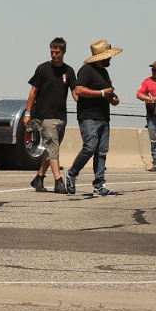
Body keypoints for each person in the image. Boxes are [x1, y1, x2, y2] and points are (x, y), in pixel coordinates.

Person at [64, 39, 122, 196]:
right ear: (102, 56)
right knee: (90, 147)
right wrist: (102, 93)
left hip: (104, 117)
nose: (110, 58)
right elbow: (78, 90)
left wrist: (112, 98)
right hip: (89, 116)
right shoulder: (86, 70)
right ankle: (72, 173)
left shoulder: (104, 72)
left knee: (101, 152)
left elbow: (107, 93)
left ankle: (100, 183)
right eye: (108, 56)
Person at [23, 37, 77, 193]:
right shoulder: (42, 69)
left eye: (57, 52)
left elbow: (75, 92)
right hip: (46, 116)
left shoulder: (69, 71)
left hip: (61, 117)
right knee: (53, 148)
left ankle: (38, 178)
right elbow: (33, 92)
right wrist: (27, 113)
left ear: (63, 52)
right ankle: (58, 181)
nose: (54, 55)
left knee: (50, 150)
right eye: (52, 52)